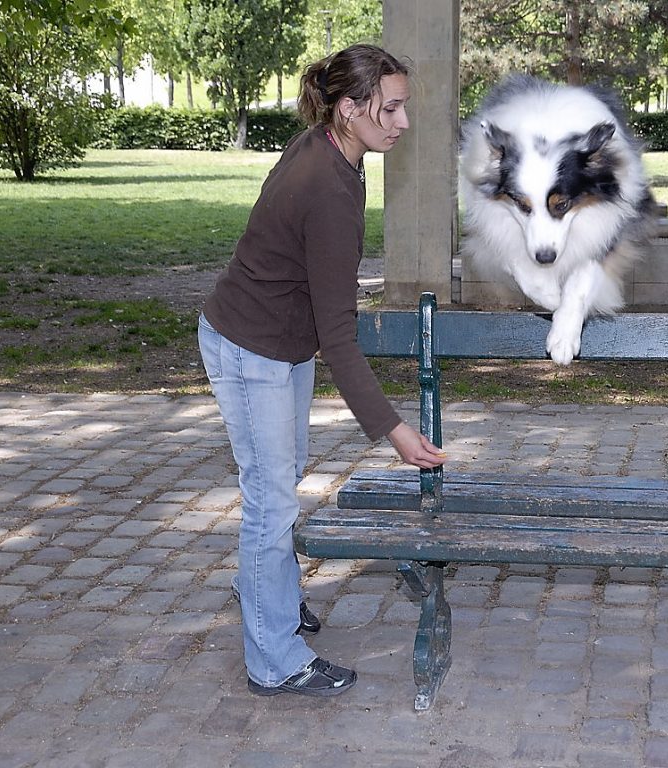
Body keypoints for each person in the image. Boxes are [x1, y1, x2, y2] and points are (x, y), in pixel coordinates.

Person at [198, 44, 446, 700]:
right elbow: (340, 334)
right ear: (349, 108)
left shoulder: (328, 149)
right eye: (389, 108)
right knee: (271, 501)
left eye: (403, 107)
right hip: (253, 348)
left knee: (277, 484)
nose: (402, 121)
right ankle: (273, 658)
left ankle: (267, 595)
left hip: (270, 343)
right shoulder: (328, 185)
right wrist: (394, 431)